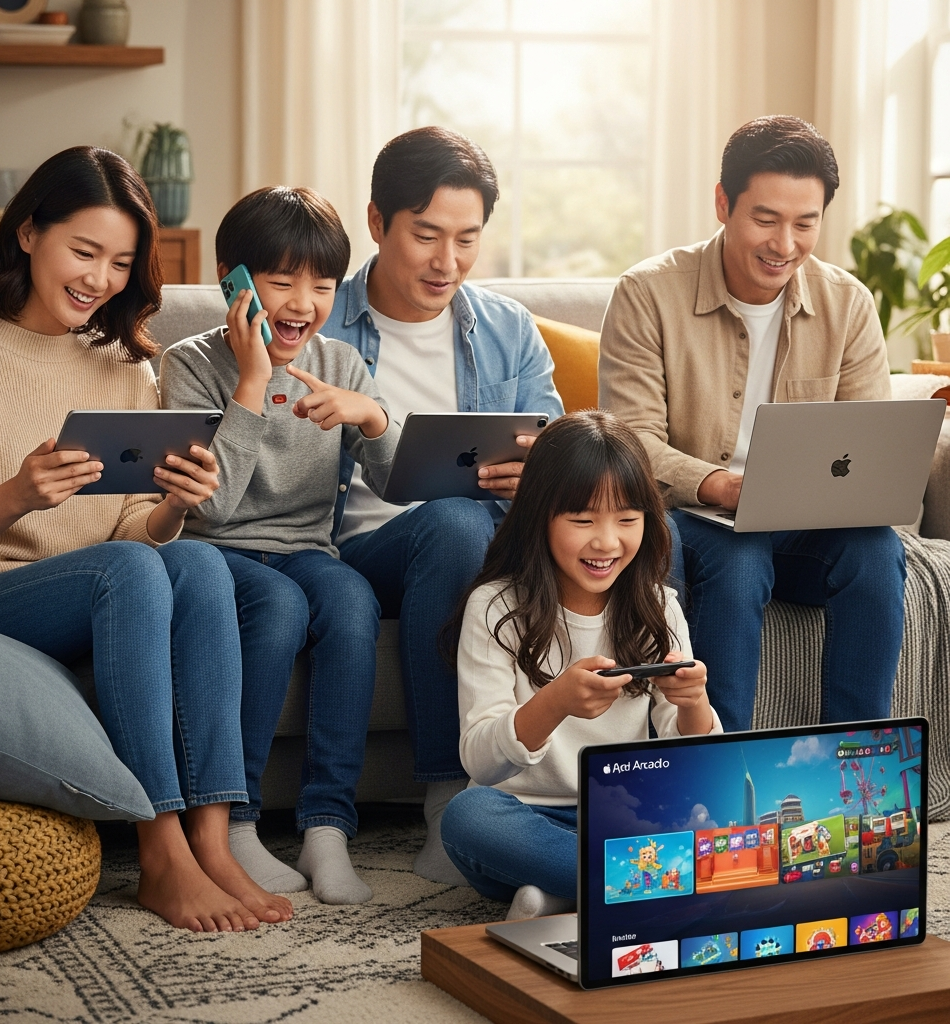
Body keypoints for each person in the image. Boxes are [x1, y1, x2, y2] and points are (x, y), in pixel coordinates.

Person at [0, 147, 291, 933]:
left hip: (98, 586)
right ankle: (159, 851)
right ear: (28, 233)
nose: (99, 279)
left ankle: (212, 839)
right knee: (127, 571)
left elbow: (134, 533)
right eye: (83, 252)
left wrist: (170, 507)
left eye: (120, 263)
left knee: (192, 557)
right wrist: (16, 496)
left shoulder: (128, 367)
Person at [599, 115, 905, 733]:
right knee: (738, 562)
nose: (784, 244)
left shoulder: (848, 304)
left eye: (805, 223)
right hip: (692, 517)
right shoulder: (648, 293)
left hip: (802, 527)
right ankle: (723, 758)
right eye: (765, 219)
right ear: (723, 203)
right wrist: (719, 484)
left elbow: (871, 445)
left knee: (876, 550)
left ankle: (856, 759)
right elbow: (630, 443)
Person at [320, 126, 565, 884]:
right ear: (376, 222)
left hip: (475, 546)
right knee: (455, 522)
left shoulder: (505, 329)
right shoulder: (319, 319)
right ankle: (443, 795)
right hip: (356, 550)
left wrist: (536, 475)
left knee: (482, 528)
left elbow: (553, 446)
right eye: (426, 236)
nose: (447, 262)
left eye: (467, 239)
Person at [159, 186, 398, 905]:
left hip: (306, 548)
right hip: (211, 549)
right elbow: (213, 502)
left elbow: (394, 485)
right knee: (277, 605)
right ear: (234, 282)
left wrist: (375, 418)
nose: (302, 302)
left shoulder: (342, 364)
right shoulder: (189, 366)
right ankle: (237, 819)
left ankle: (327, 824)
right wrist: (254, 383)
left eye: (321, 284)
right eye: (280, 280)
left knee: (351, 603)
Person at [440, 411, 721, 920]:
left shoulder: (659, 606)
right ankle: (643, 885)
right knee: (468, 816)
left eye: (628, 520)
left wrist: (694, 705)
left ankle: (564, 894)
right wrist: (554, 703)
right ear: (539, 517)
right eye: (583, 520)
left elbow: (694, 762)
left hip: (625, 816)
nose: (607, 542)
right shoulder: (495, 606)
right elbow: (480, 763)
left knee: (710, 804)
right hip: (522, 812)